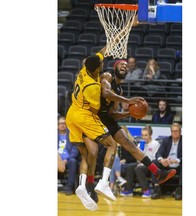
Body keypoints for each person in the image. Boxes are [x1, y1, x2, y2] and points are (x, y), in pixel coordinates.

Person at [65, 39, 142, 210]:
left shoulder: (84, 71)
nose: (102, 65)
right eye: (100, 65)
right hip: (84, 116)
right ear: (97, 70)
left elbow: (102, 53)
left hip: (71, 114)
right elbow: (97, 109)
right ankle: (103, 183)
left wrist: (113, 42)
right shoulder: (93, 86)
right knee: (111, 144)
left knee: (88, 153)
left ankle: (83, 185)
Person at [83, 59, 176, 200]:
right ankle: (92, 185)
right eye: (121, 65)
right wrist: (128, 101)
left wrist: (129, 113)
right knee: (94, 152)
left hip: (106, 118)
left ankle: (157, 172)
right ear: (115, 67)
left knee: (130, 144)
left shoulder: (119, 90)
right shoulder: (107, 76)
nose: (124, 67)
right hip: (92, 117)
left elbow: (112, 114)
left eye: (126, 66)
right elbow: (106, 93)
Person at [120, 125, 160, 198]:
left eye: (146, 135)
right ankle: (129, 189)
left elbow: (155, 158)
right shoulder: (140, 144)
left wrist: (143, 163)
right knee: (130, 166)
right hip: (141, 163)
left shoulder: (155, 144)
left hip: (150, 165)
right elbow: (137, 157)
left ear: (150, 135)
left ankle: (146, 190)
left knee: (138, 169)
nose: (144, 137)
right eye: (142, 135)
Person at [151, 123, 182, 200]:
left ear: (180, 131)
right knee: (154, 162)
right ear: (171, 132)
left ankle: (180, 190)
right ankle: (157, 188)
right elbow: (158, 153)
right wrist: (162, 160)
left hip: (178, 165)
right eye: (173, 131)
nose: (174, 133)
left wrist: (176, 160)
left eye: (176, 131)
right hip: (166, 165)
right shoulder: (166, 140)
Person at [57, 116, 80, 195]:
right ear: (57, 125)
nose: (62, 125)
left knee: (73, 161)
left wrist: (66, 159)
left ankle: (69, 187)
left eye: (64, 123)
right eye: (60, 123)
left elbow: (75, 150)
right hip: (57, 159)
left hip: (68, 160)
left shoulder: (71, 135)